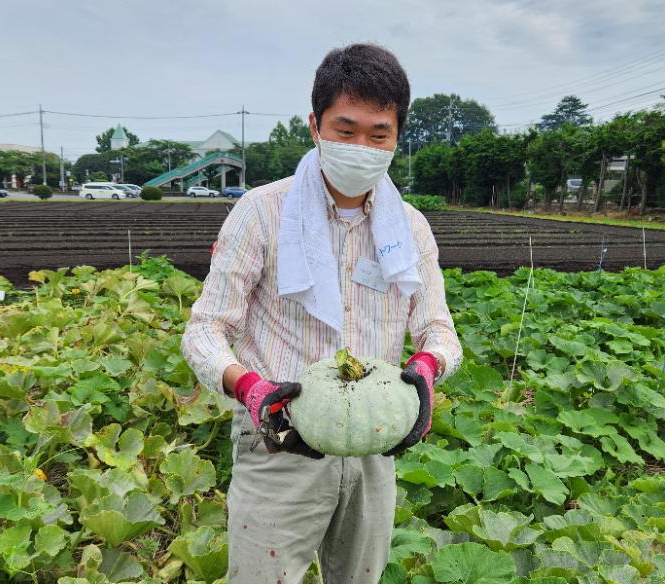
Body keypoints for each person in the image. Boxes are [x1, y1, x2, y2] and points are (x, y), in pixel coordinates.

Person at [181, 43, 462, 584]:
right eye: (345, 129)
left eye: (379, 134)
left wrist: (427, 370)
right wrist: (250, 389)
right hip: (278, 436)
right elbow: (205, 330)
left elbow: (438, 329)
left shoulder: (411, 227)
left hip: (374, 438)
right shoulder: (261, 212)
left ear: (397, 136)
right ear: (315, 125)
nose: (362, 146)